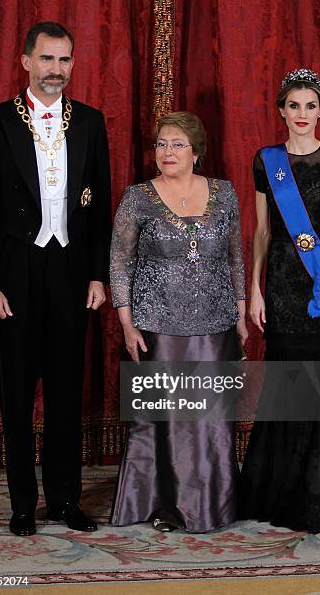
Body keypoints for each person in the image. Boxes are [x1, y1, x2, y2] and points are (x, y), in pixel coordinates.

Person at [0, 22, 111, 536]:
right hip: (14, 276)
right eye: (47, 59)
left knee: (67, 393)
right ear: (26, 61)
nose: (56, 70)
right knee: (19, 395)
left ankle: (65, 500)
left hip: (70, 271)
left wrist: (97, 274)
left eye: (64, 60)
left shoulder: (90, 122)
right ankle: (23, 504)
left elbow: (100, 210)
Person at [241, 68, 320, 532]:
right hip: (281, 286)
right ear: (280, 110)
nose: (302, 114)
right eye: (293, 105)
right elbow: (262, 231)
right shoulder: (266, 160)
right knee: (287, 385)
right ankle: (280, 493)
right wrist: (253, 289)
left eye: (310, 106)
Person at [109, 111, 247, 532]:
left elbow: (236, 257)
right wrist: (127, 325)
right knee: (167, 420)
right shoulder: (137, 198)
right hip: (157, 324)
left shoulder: (225, 194)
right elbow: (119, 263)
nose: (167, 152)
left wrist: (240, 315)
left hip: (216, 322)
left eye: (177, 144)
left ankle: (214, 505)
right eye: (161, 144)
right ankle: (166, 505)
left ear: (196, 152)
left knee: (210, 419)